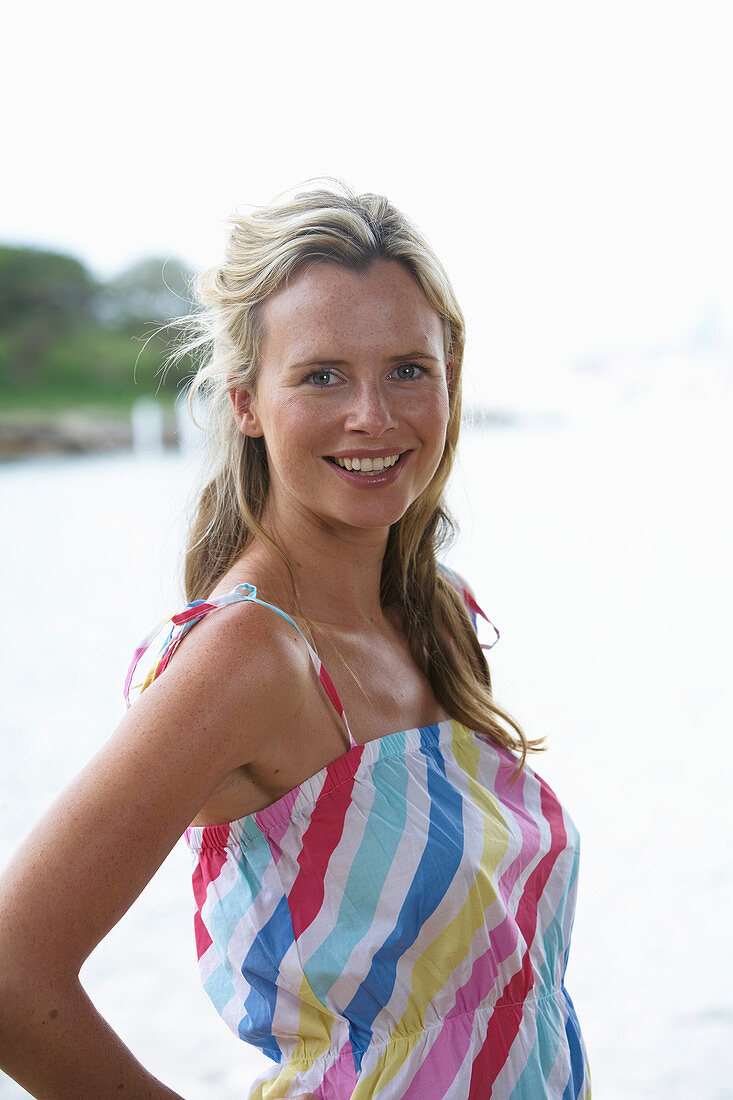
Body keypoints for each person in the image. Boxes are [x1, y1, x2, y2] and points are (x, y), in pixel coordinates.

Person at [0, 183, 591, 1098]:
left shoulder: (434, 613)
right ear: (245, 403)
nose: (374, 416)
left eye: (408, 368)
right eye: (321, 375)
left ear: (449, 378)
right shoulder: (247, 658)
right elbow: (11, 980)